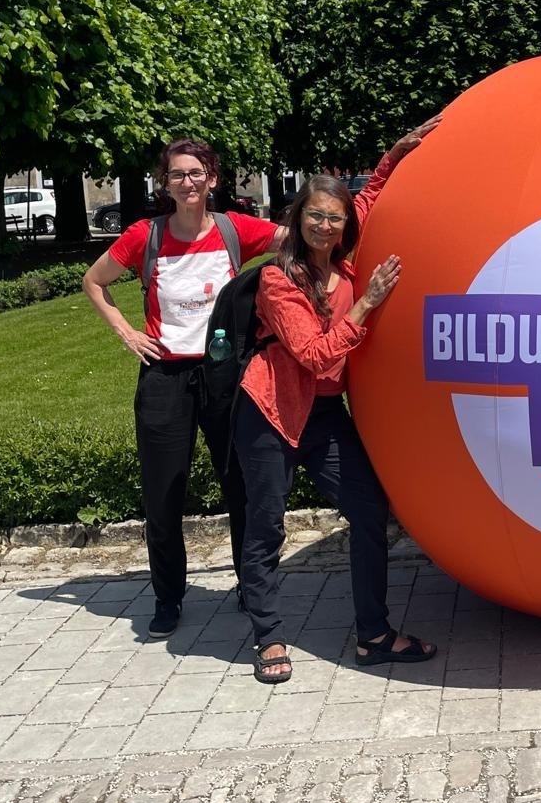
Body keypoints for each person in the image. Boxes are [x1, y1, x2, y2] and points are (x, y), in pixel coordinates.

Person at [234, 120, 440, 683]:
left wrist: (392, 156)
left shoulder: (343, 259)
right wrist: (367, 304)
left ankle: (374, 635)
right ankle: (268, 637)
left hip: (323, 414)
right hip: (272, 410)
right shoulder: (279, 280)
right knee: (266, 525)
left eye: (335, 217)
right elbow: (316, 355)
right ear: (296, 219)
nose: (326, 225)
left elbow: (367, 198)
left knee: (369, 510)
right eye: (315, 215)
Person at [83, 140, 282, 636]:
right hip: (166, 379)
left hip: (223, 376)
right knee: (164, 495)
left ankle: (249, 584)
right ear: (165, 183)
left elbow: (297, 238)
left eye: (196, 173)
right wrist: (127, 332)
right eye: (177, 175)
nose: (188, 182)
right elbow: (94, 281)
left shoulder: (237, 230)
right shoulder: (143, 236)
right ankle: (168, 596)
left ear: (212, 179)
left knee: (240, 486)